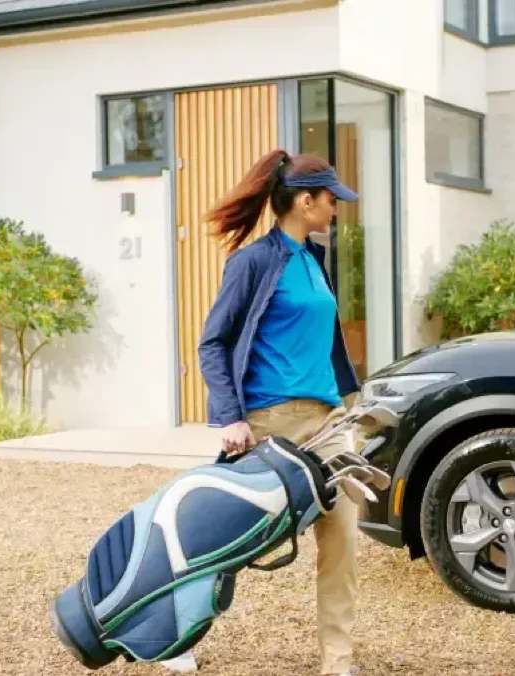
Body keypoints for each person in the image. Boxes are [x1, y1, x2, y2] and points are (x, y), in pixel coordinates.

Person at [194, 148, 362, 676]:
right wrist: (231, 418)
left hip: (328, 422)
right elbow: (213, 343)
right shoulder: (254, 261)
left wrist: (354, 407)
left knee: (342, 543)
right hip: (270, 423)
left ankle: (338, 663)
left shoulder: (315, 261)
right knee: (229, 541)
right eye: (331, 199)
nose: (336, 209)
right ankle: (174, 631)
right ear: (304, 201)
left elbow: (325, 346)